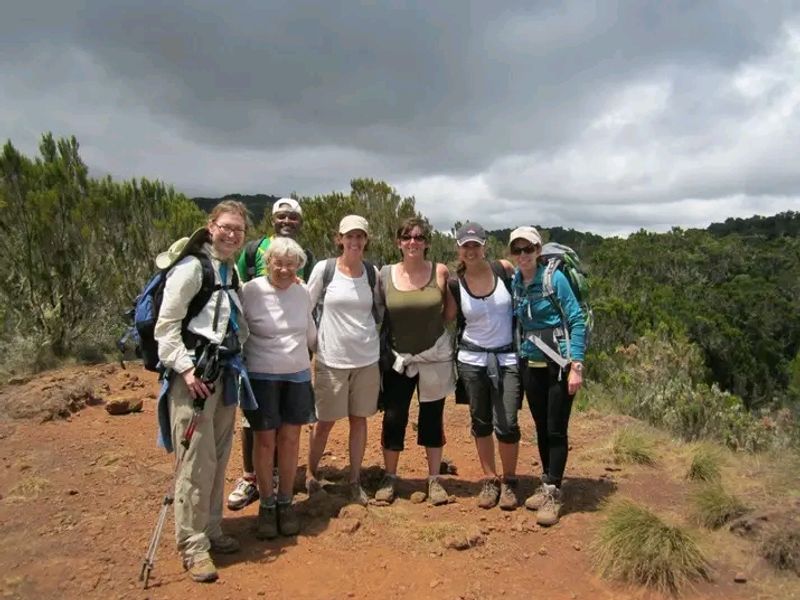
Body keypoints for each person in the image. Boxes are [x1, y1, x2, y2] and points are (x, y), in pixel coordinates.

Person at [154, 199, 250, 583]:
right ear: (210, 227)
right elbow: (166, 327)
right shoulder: (193, 269)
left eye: (238, 230)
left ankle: (212, 529)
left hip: (223, 375)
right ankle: (193, 545)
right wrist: (187, 370)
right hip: (194, 379)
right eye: (225, 227)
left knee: (219, 454)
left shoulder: (228, 271)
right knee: (194, 462)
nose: (230, 234)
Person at [228, 197, 315, 511]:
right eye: (282, 216)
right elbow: (235, 290)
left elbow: (308, 317)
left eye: (293, 217)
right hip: (258, 366)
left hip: (294, 366)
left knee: (287, 431)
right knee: (255, 428)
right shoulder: (254, 251)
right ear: (273, 219)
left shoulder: (303, 264)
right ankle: (251, 479)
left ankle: (277, 483)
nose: (287, 221)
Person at [374, 217, 456, 506]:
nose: (413, 242)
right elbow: (377, 313)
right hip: (399, 359)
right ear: (398, 242)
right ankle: (390, 476)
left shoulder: (440, 272)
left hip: (433, 356)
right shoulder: (384, 275)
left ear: (427, 243)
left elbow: (449, 312)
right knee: (394, 416)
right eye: (407, 237)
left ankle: (434, 479)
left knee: (432, 417)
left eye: (419, 237)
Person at [240, 237, 317, 539]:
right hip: (261, 375)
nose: (284, 269)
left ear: (298, 266)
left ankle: (286, 502)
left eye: (291, 264)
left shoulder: (303, 292)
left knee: (290, 439)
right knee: (264, 441)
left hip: (297, 374)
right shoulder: (250, 291)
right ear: (267, 262)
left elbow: (310, 331)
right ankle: (267, 505)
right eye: (278, 263)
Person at [509, 226, 586, 526]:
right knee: (541, 425)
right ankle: (547, 482)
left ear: (539, 251)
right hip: (531, 363)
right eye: (517, 250)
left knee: (556, 428)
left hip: (559, 365)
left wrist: (576, 365)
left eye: (528, 249)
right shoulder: (517, 280)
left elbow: (576, 319)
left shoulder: (555, 279)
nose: (523, 255)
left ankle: (554, 492)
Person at [305, 215, 382, 505]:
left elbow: (378, 310)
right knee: (324, 421)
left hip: (366, 359)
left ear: (366, 239)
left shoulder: (371, 273)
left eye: (360, 236)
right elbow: (305, 307)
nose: (355, 242)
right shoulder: (324, 270)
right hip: (331, 360)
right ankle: (311, 475)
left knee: (359, 420)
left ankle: (354, 481)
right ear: (339, 238)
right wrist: (314, 343)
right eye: (349, 236)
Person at [450, 222, 522, 510]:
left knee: (508, 422)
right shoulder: (456, 283)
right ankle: (490, 480)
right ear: (459, 248)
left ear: (484, 246)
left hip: (507, 358)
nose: (471, 250)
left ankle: (510, 481)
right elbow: (447, 316)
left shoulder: (503, 270)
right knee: (480, 421)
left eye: (475, 245)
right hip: (472, 360)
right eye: (465, 245)